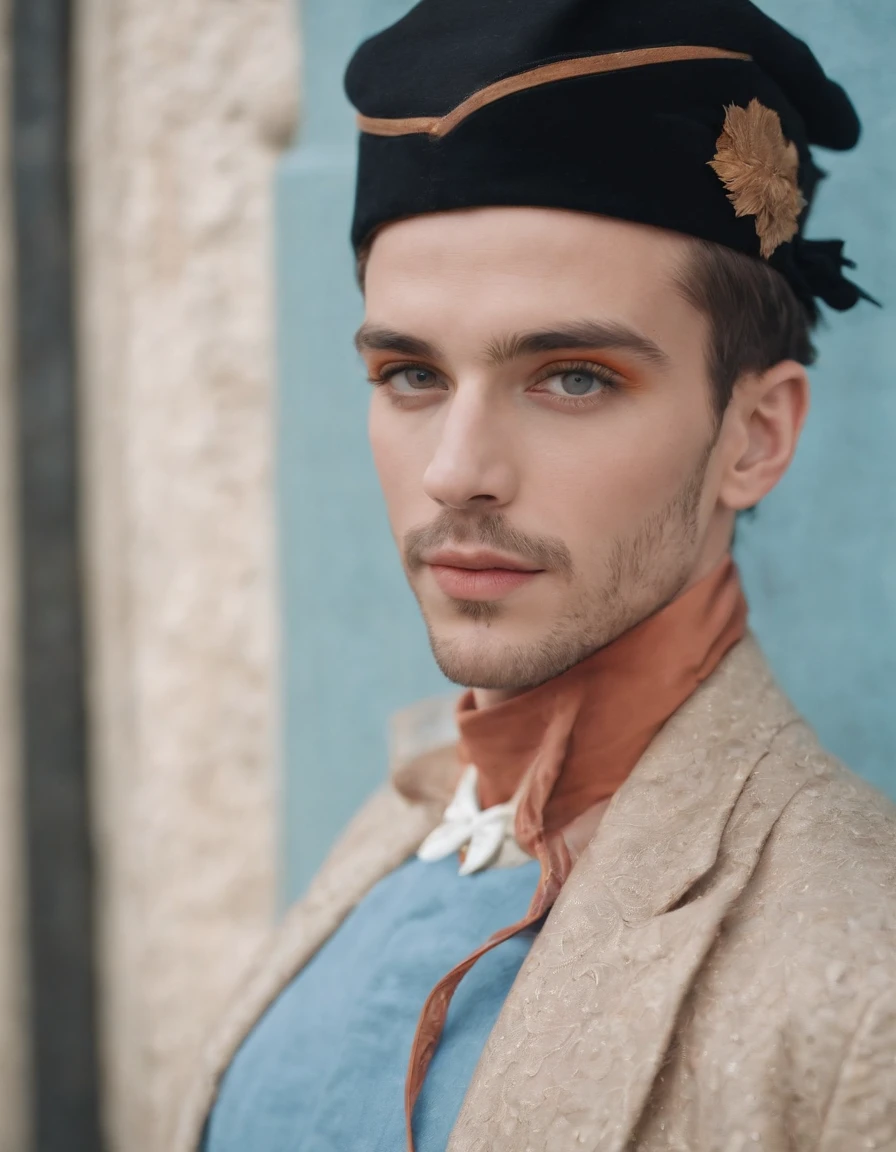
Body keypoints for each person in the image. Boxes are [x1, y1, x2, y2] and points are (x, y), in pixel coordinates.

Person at [175, 1, 896, 1149]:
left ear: (753, 435)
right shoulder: (398, 823)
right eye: (410, 374)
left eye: (570, 378)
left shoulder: (862, 982)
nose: (456, 473)